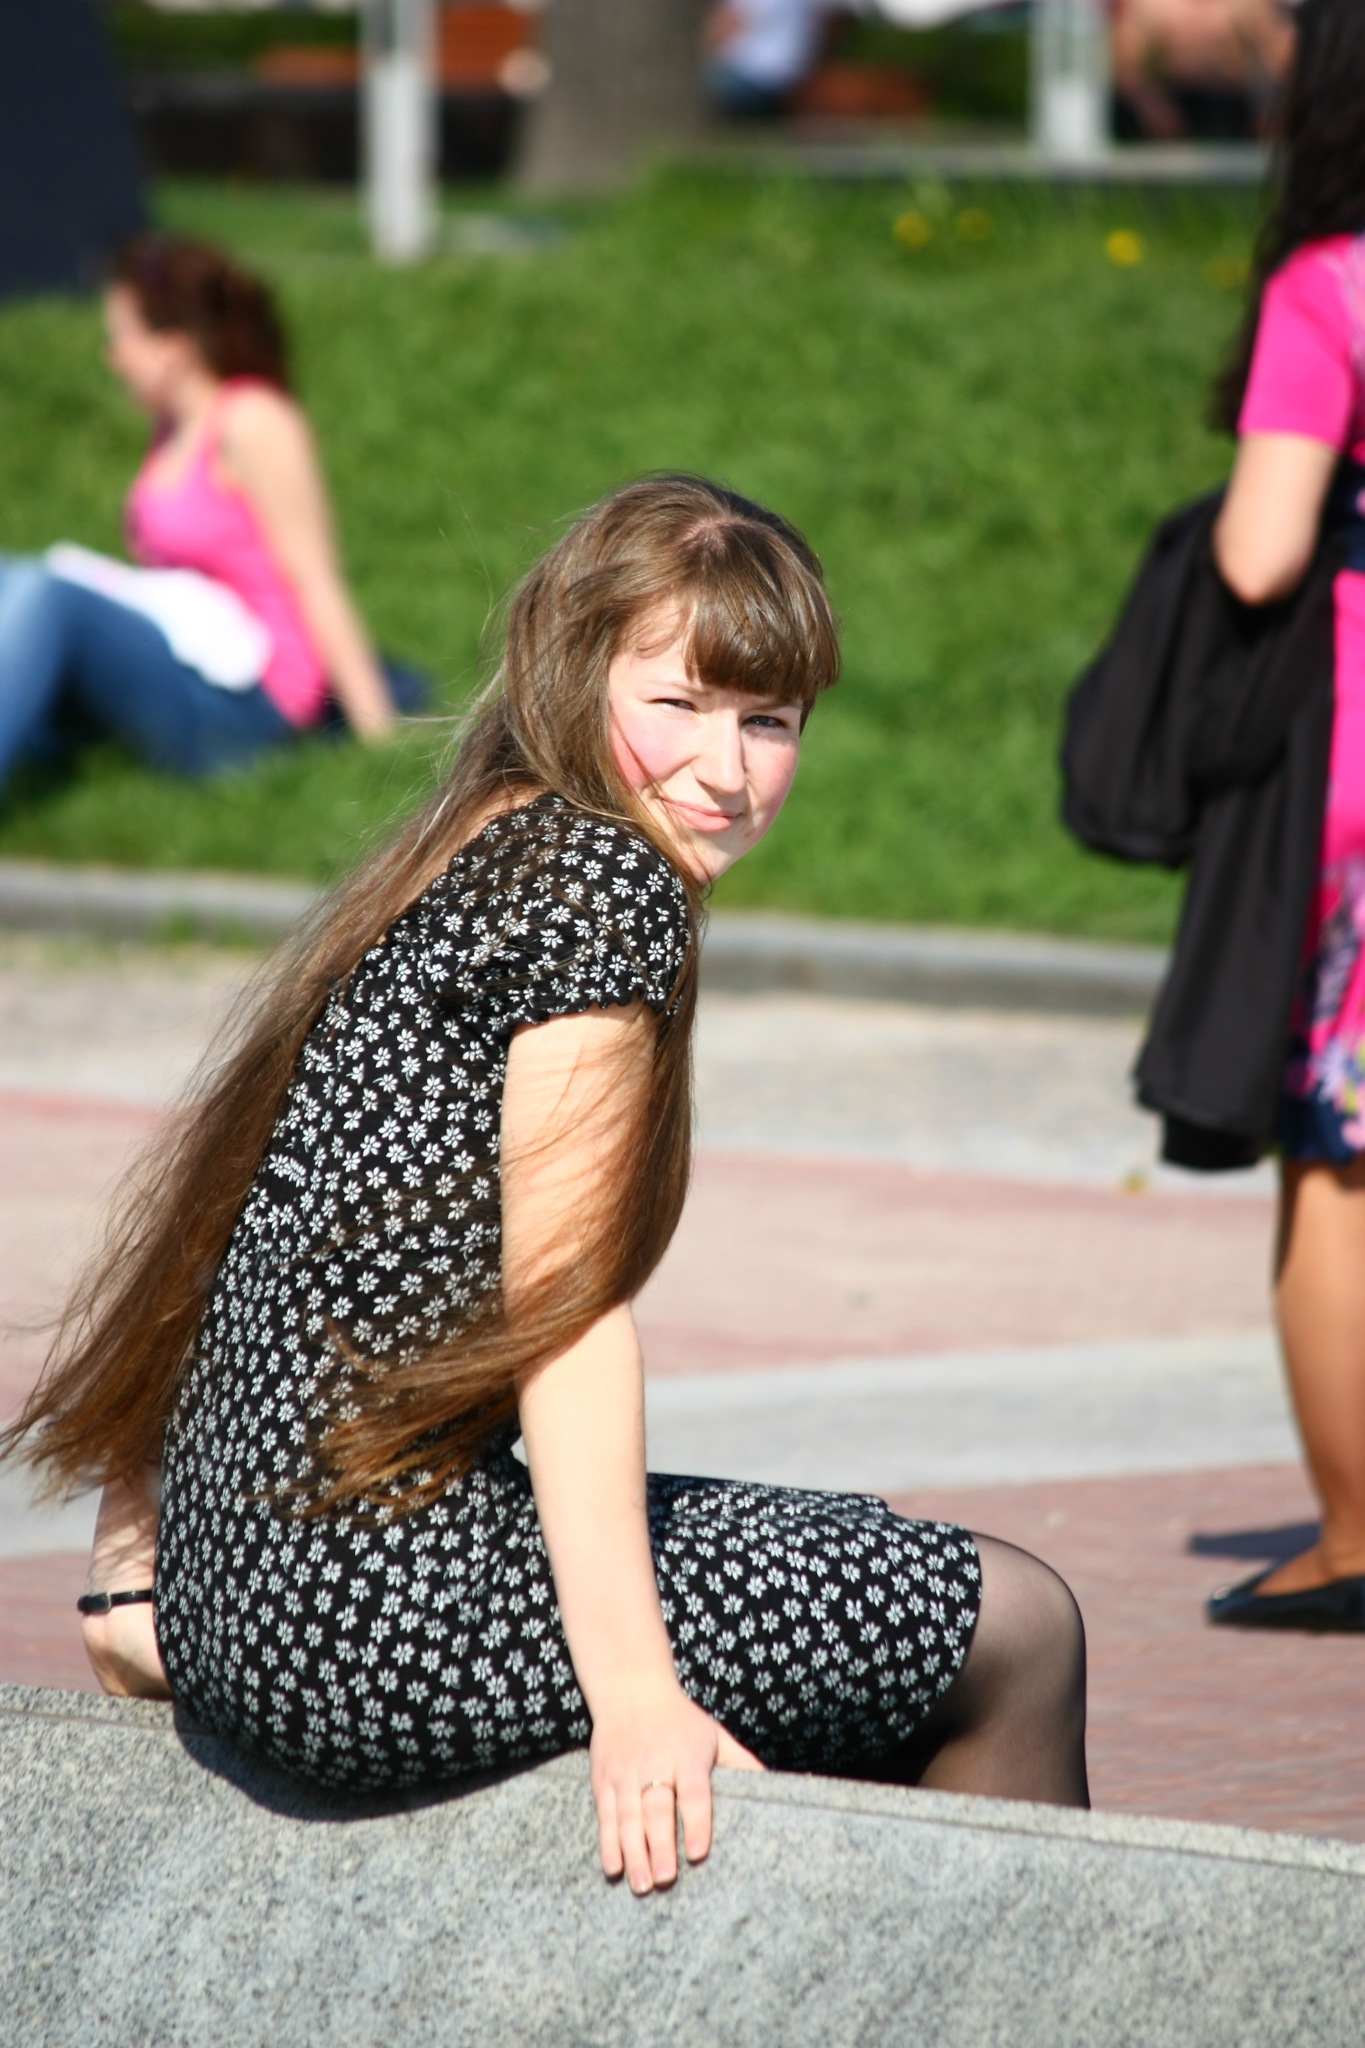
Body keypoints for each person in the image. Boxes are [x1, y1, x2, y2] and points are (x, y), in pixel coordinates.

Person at [4, 476, 1087, 1892]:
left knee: (869, 1567)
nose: (727, 768)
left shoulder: (479, 834)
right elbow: (565, 1314)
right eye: (679, 704)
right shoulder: (600, 885)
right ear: (576, 675)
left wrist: (131, 1566)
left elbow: (234, 1210)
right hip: (372, 1613)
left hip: (237, 1587)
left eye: (770, 721)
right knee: (1017, 1625)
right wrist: (635, 1697)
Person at [1203, 0, 1365, 1627]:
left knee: (1336, 1149)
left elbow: (1259, 552)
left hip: (1360, 758)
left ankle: (1354, 1535)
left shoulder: (1333, 284)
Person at [0, 234, 395, 799]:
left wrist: (380, 737)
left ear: (173, 347)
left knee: (51, 596)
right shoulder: (171, 427)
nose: (113, 359)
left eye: (122, 340)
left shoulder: (253, 420)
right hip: (192, 658)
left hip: (251, 703)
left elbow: (316, 579)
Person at [1110, 0, 1294, 142]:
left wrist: (1271, 110)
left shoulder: (1248, 5)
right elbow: (1126, 67)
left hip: (1230, 110)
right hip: (1170, 104)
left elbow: (1276, 60)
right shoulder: (1151, 5)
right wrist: (1151, 106)